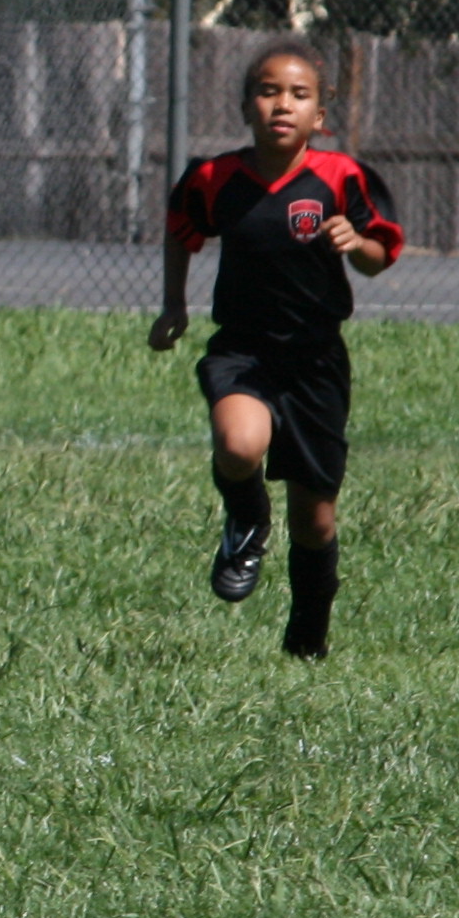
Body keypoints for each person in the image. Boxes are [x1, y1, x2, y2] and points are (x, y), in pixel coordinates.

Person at [152, 43, 407, 660]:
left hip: (316, 363)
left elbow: (380, 257)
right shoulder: (215, 179)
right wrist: (174, 304)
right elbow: (181, 229)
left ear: (320, 115)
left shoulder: (341, 178)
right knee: (239, 445)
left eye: (299, 95)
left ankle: (306, 643)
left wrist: (356, 243)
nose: (282, 105)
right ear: (246, 106)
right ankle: (246, 518)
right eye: (268, 92)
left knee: (315, 521)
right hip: (243, 352)